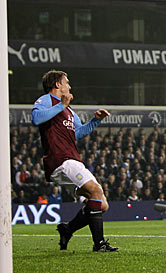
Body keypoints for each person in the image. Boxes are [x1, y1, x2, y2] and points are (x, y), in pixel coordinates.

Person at [32, 70, 118, 252]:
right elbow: (36, 118)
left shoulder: (69, 110)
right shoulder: (46, 100)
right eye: (66, 82)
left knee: (102, 205)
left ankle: (67, 229)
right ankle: (99, 244)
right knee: (95, 190)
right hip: (59, 160)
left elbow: (77, 133)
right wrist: (60, 106)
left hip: (72, 159)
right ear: (57, 85)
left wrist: (95, 121)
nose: (69, 86)